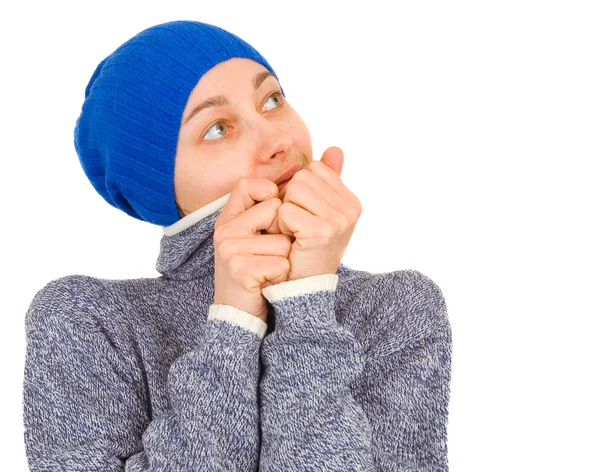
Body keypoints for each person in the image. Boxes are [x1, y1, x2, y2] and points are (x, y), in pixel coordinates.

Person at [22, 20, 453, 471]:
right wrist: (232, 323)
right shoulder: (88, 320)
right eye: (217, 129)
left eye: (272, 100)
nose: (278, 140)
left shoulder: (398, 308)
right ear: (158, 184)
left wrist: (306, 303)